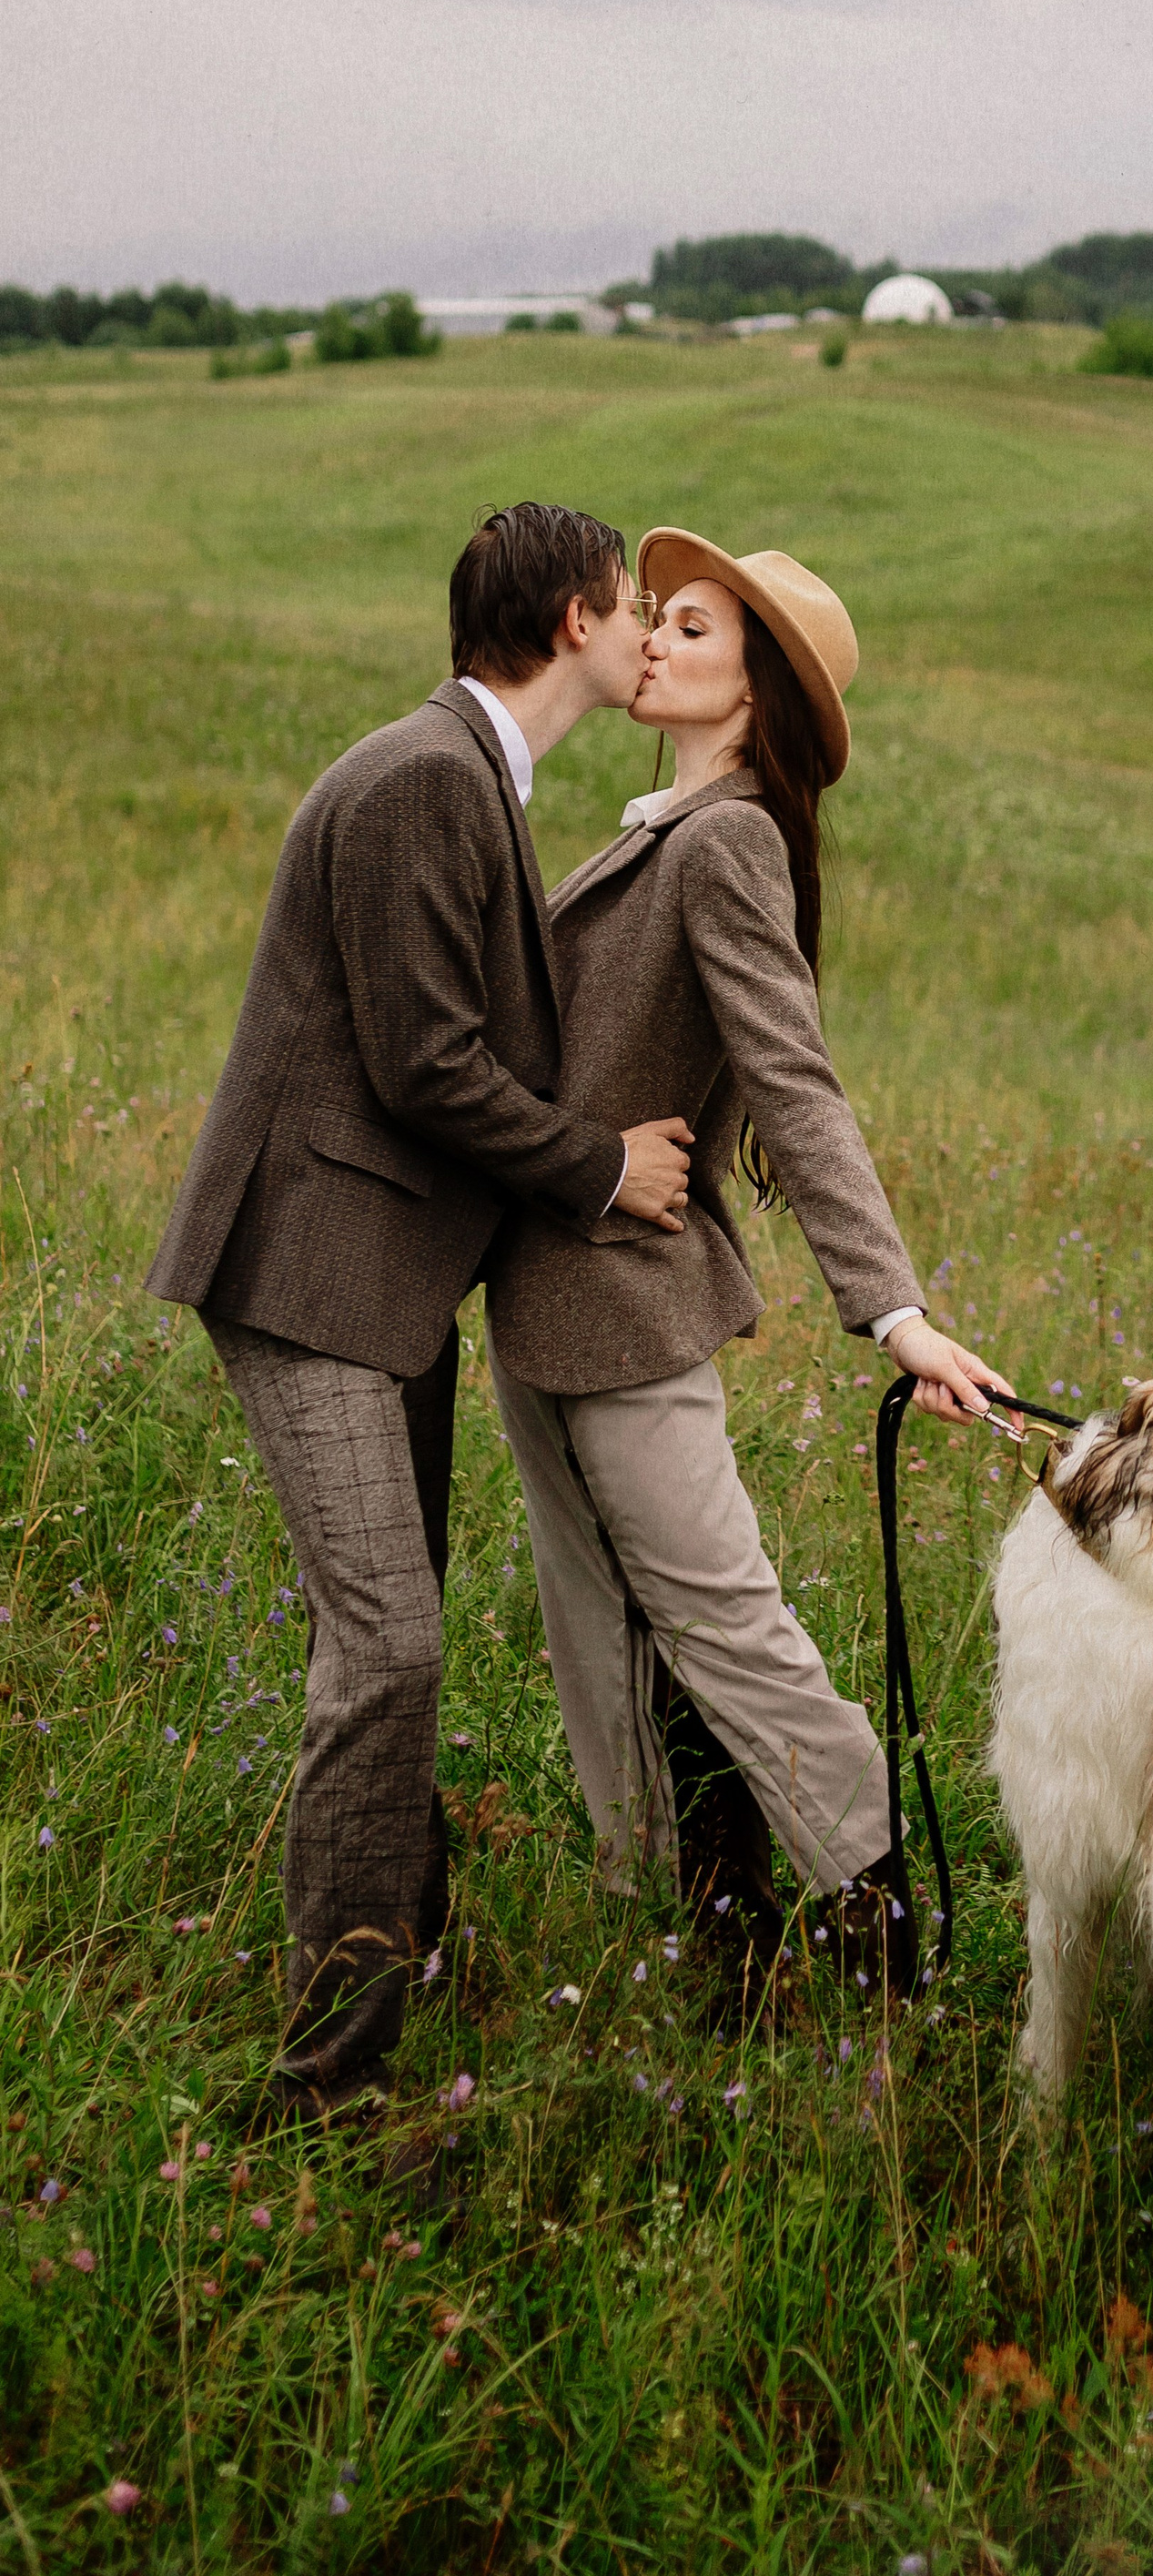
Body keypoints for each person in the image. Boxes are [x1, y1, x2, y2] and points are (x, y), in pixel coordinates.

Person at [147, 503, 699, 2119]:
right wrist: (600, 1169)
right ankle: (329, 2079)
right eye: (634, 608)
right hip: (310, 1274)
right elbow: (423, 1062)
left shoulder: (469, 777)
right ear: (577, 618)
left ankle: (407, 1945)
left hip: (382, 1280)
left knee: (381, 1628)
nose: (645, 633)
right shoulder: (417, 781)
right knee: (387, 1645)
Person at [483, 528, 1007, 1994]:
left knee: (720, 1619)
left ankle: (878, 1922)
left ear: (755, 696)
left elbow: (796, 1082)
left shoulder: (725, 840)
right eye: (665, 620)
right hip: (552, 1294)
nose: (655, 639)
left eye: (695, 629)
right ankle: (703, 1931)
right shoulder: (658, 823)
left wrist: (891, 1309)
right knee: (612, 1636)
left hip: (629, 1303)